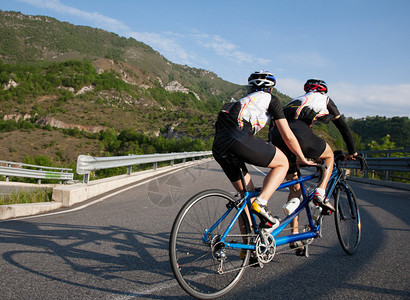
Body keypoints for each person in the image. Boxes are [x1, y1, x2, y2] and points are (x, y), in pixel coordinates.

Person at [212, 70, 315, 230]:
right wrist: (301, 157)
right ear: (271, 89)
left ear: (249, 88)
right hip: (239, 138)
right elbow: (287, 135)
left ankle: (246, 249)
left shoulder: (240, 102)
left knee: (247, 196)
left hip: (219, 145)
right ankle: (262, 203)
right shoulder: (271, 99)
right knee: (282, 163)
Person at [269, 78, 357, 253]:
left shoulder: (294, 102)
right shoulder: (325, 100)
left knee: (295, 189)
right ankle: (321, 191)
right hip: (299, 135)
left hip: (276, 137)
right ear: (323, 91)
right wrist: (352, 151)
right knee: (329, 156)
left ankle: (294, 236)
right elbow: (343, 128)